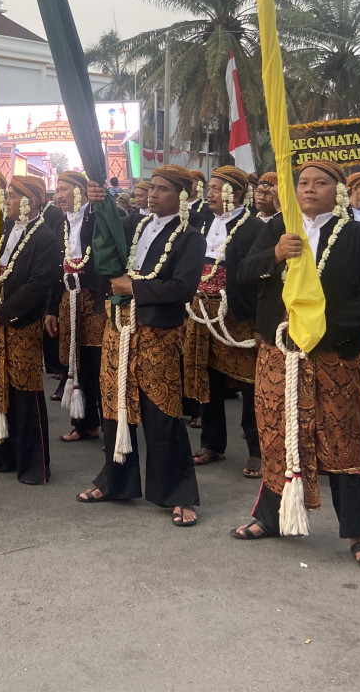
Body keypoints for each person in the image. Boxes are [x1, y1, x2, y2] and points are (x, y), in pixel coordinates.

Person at [232, 159, 360, 573]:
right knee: (276, 434)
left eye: (320, 183)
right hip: (280, 355)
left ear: (338, 192)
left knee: (341, 440)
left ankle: (358, 534)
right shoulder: (277, 229)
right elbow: (243, 273)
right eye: (303, 182)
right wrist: (275, 255)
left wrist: (321, 330)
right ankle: (270, 517)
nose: (309, 189)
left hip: (332, 355)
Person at [77, 166, 205, 526]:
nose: (153, 195)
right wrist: (96, 204)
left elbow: (182, 288)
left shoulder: (190, 237)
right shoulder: (135, 224)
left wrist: (133, 287)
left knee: (162, 413)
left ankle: (178, 494)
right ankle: (115, 482)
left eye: (163, 190)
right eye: (152, 188)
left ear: (183, 196)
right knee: (114, 407)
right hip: (119, 330)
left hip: (156, 336)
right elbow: (99, 239)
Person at [0, 175, 62, 484]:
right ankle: (0, 455)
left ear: (31, 201)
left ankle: (34, 465)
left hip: (21, 325)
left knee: (26, 394)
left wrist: (0, 313)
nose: (6, 200)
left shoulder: (45, 237)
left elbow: (37, 286)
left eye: (12, 195)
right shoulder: (3, 229)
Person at [185, 165, 265, 478]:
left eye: (217, 188)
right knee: (209, 379)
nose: (210, 194)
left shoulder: (254, 227)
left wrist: (260, 323)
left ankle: (257, 450)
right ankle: (212, 443)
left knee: (249, 384)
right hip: (201, 310)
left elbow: (261, 280)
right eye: (210, 188)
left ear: (237, 193)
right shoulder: (201, 220)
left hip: (237, 314)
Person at [48, 171, 106, 443]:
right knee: (75, 361)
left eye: (64, 189)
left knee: (98, 362)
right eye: (58, 190)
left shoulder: (97, 218)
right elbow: (54, 269)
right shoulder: (61, 223)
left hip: (94, 299)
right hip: (68, 298)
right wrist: (50, 308)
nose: (59, 195)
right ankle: (84, 424)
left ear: (81, 190)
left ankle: (111, 426)